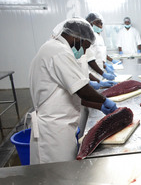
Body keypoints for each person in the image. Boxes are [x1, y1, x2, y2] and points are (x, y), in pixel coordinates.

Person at [29, 18, 118, 164]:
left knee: (63, 175)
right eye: (85, 46)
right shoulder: (58, 51)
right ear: (77, 38)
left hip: (59, 125)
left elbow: (67, 95)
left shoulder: (53, 48)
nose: (83, 52)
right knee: (56, 176)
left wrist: (99, 106)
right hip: (53, 130)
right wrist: (104, 100)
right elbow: (81, 90)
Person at [85, 12, 117, 84]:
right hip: (92, 73)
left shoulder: (99, 36)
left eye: (101, 23)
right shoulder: (88, 37)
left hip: (100, 70)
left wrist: (105, 66)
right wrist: (103, 74)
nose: (100, 26)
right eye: (97, 23)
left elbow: (100, 54)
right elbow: (90, 59)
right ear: (90, 23)